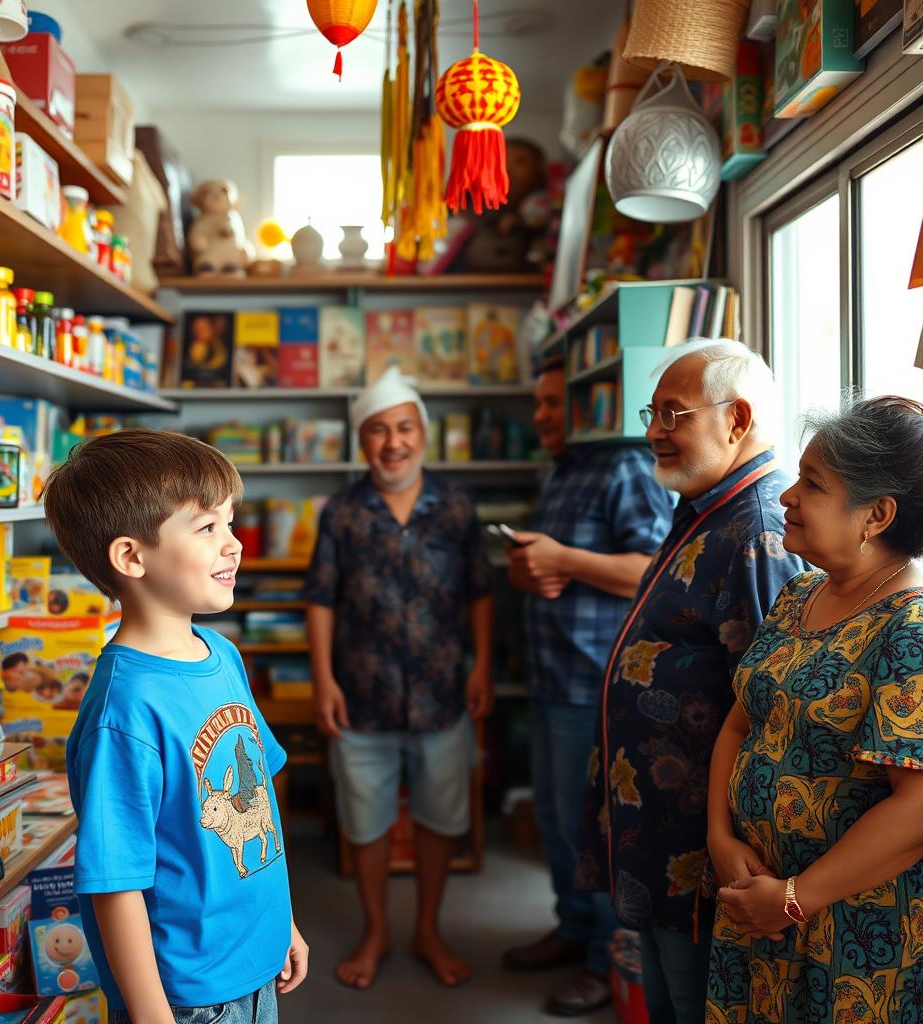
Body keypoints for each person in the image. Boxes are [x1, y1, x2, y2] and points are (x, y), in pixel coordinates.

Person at [45, 429, 308, 1024]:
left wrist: (282, 923)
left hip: (255, 962)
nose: (234, 545)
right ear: (131, 557)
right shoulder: (125, 710)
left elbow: (257, 808)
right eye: (207, 527)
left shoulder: (222, 656)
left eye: (231, 522)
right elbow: (115, 884)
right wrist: (151, 1016)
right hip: (190, 996)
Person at [576, 339, 805, 1024]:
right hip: (661, 841)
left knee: (696, 1008)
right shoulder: (707, 507)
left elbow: (768, 711)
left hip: (702, 856)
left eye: (673, 414)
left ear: (735, 419)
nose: (653, 431)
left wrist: (731, 845)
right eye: (655, 412)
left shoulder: (756, 530)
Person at [706, 396, 923, 1023]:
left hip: (851, 926)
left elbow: (915, 808)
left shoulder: (908, 627)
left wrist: (796, 899)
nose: (786, 497)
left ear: (876, 515)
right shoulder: (801, 592)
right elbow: (740, 722)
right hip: (757, 901)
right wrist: (721, 839)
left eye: (813, 484)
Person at [305, 366, 494, 990]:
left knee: (441, 818)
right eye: (379, 431)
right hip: (362, 697)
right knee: (367, 823)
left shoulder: (456, 506)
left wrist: (484, 665)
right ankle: (376, 929)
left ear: (423, 433)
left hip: (443, 696)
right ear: (362, 441)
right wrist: (323, 680)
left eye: (405, 428)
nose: (394, 443)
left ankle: (429, 929)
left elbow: (479, 592)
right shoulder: (341, 511)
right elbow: (321, 599)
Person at [501, 355, 673, 1016]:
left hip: (596, 678)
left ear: (588, 405)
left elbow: (650, 570)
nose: (540, 415)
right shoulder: (567, 470)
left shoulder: (625, 466)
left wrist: (561, 559)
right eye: (538, 404)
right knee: (556, 820)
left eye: (552, 404)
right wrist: (529, 570)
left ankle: (608, 956)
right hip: (552, 676)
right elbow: (554, 566)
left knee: (594, 832)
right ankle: (575, 930)